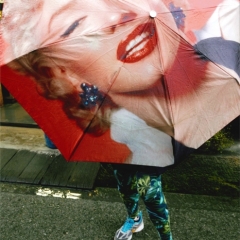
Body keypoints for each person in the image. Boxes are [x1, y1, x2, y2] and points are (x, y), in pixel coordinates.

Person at [1, 0, 239, 239]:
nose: (117, 20)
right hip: (121, 141)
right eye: (74, 24)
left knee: (151, 192)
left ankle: (165, 235)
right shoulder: (105, 117)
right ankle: (134, 219)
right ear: (61, 73)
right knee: (125, 185)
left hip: (156, 146)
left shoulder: (214, 57)